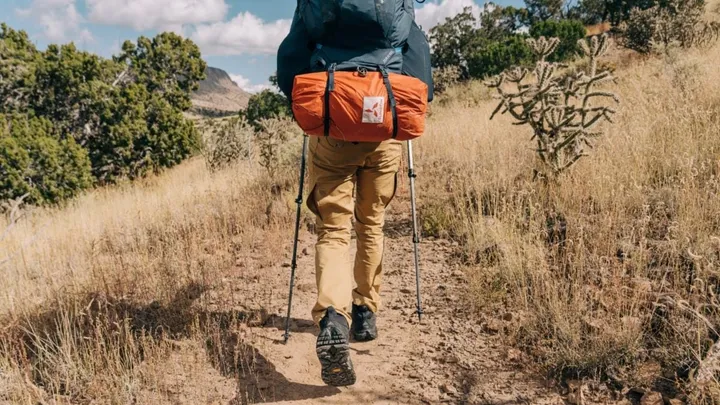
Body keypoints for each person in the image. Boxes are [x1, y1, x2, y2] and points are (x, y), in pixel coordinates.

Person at [307, 136, 402, 386]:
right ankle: (365, 312)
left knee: (332, 230)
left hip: (333, 140)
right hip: (383, 140)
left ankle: (334, 316)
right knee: (371, 226)